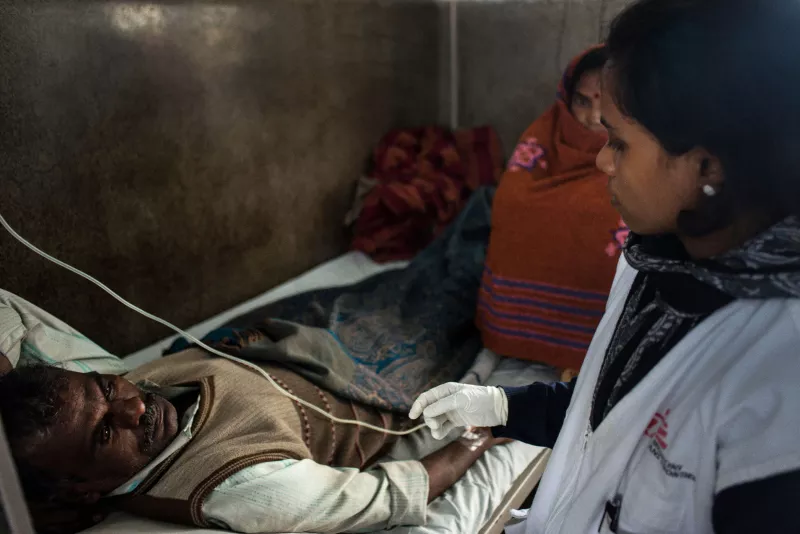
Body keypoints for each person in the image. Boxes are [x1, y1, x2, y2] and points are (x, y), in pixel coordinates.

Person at [412, 0, 800, 532]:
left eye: (619, 141)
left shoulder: (778, 383)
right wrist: (501, 405)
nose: (600, 159)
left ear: (705, 165)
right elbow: (612, 412)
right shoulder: (651, 260)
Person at [0, 329, 509, 534]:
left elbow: (10, 311)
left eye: (108, 390)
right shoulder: (240, 486)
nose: (133, 409)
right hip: (371, 390)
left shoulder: (88, 394)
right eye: (105, 436)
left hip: (297, 336)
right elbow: (393, 494)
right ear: (81, 488)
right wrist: (481, 434)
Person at [477, 44, 627, 374]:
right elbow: (512, 201)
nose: (592, 117)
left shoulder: (635, 147)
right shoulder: (546, 133)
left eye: (605, 102)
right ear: (566, 98)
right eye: (582, 101)